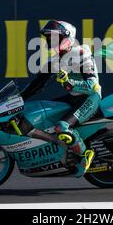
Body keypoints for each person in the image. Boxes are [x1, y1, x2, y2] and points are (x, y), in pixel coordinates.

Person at [20, 20, 99, 177]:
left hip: (90, 99)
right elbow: (37, 84)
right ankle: (61, 150)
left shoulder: (81, 55)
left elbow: (93, 86)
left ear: (68, 38)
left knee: (62, 128)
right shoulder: (55, 61)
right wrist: (17, 99)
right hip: (72, 98)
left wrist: (70, 82)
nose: (52, 42)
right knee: (39, 113)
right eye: (50, 38)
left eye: (56, 38)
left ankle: (85, 155)